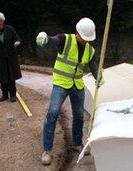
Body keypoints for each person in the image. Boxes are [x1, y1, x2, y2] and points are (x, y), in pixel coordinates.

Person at [36, 17, 104, 165]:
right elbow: (52, 40)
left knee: (79, 115)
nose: (85, 40)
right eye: (83, 37)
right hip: (61, 83)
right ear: (77, 32)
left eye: (87, 38)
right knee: (53, 113)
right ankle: (47, 150)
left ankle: (76, 143)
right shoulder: (65, 39)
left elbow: (92, 65)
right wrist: (45, 38)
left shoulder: (90, 50)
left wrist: (97, 76)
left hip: (77, 85)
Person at [0, 12, 22, 102]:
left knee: (11, 76)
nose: (0, 22)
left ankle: (12, 95)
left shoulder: (10, 29)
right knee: (2, 76)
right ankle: (4, 95)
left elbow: (17, 38)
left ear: (3, 20)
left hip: (11, 56)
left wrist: (18, 42)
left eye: (1, 20)